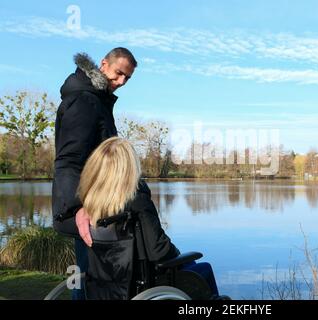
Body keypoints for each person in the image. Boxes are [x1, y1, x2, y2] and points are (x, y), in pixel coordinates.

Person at [77, 137, 221, 299]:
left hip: (107, 285)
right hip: (143, 284)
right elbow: (159, 251)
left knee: (188, 264)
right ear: (130, 169)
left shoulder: (90, 205)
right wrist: (176, 252)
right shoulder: (137, 201)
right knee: (203, 269)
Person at [52, 48, 137, 299]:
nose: (121, 82)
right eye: (118, 73)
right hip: (88, 211)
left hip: (98, 208)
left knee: (89, 281)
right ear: (103, 64)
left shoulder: (98, 100)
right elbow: (69, 160)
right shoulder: (85, 100)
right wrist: (77, 208)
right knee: (88, 282)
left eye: (127, 78)